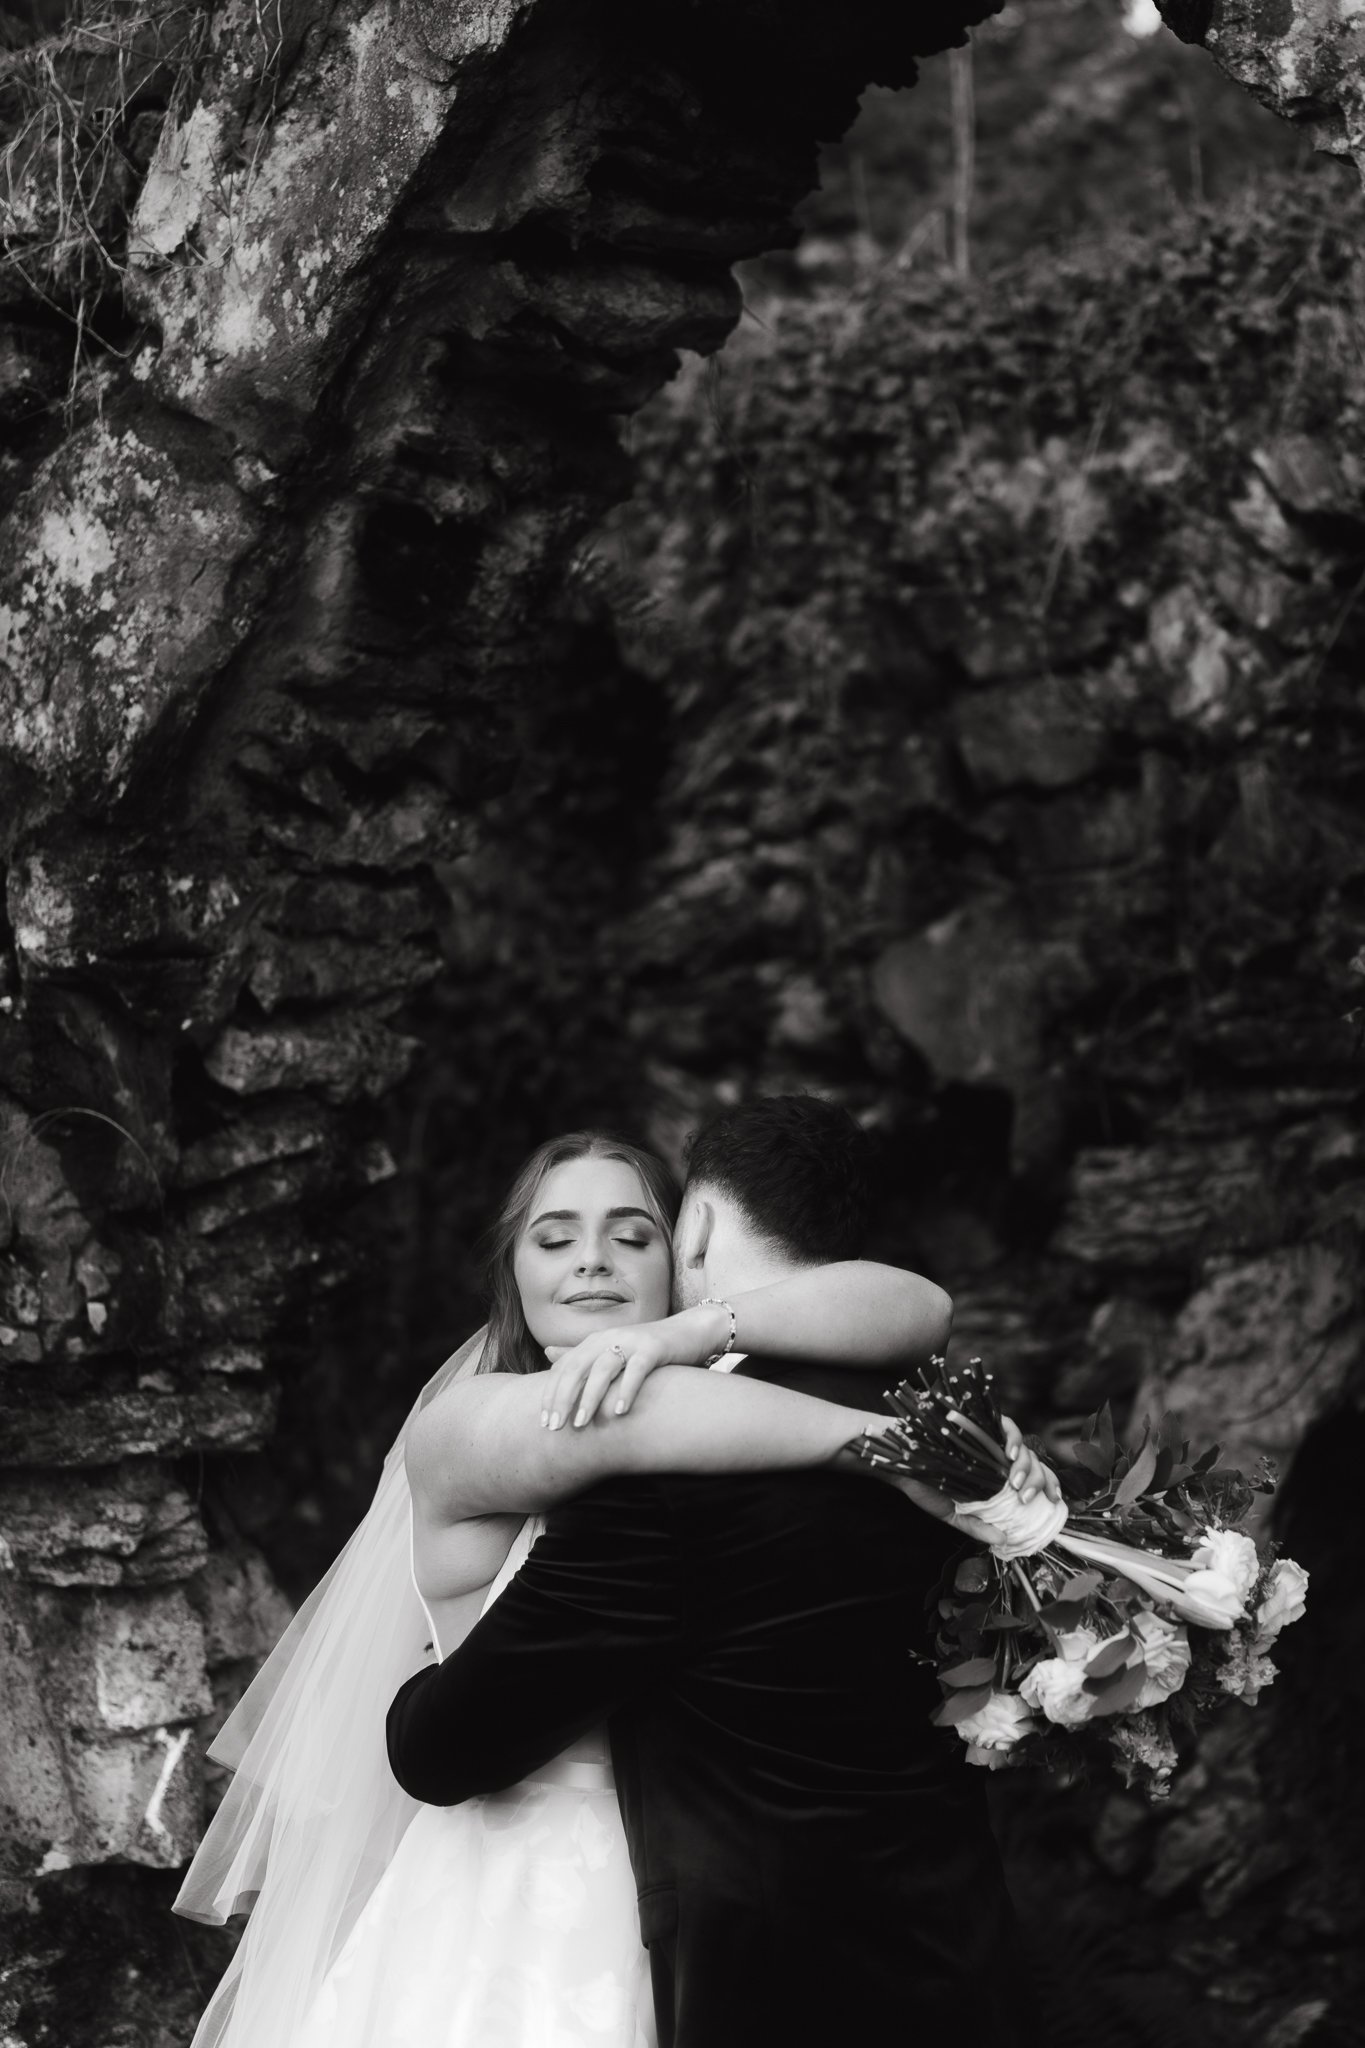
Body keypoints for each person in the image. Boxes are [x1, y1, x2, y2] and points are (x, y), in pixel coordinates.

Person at [178, 1115, 1051, 2047]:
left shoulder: (706, 1382)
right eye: (553, 1240)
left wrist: (693, 1331)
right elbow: (638, 1424)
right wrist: (888, 1448)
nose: (591, 1260)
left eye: (632, 1237)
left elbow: (917, 1304)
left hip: (668, 1899)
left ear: (683, 1254)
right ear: (512, 1273)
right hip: (506, 1890)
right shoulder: (469, 1420)